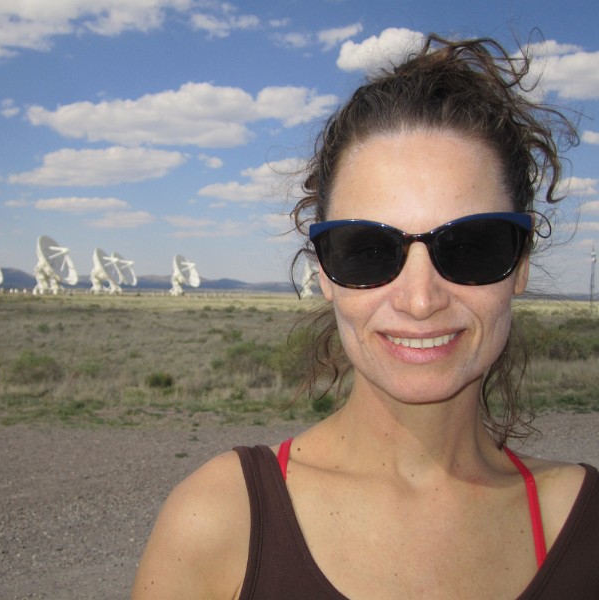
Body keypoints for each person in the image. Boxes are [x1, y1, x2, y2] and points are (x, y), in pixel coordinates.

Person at [132, 34, 599, 599]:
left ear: (520, 265)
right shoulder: (216, 524)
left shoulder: (586, 525)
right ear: (325, 271)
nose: (420, 299)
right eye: (368, 250)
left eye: (474, 246)